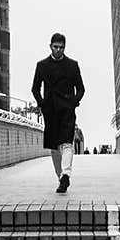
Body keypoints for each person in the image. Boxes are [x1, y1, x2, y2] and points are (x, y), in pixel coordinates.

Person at [31, 32, 85, 193]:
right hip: (50, 111)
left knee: (67, 143)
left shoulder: (72, 65)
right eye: (56, 47)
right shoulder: (42, 65)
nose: (58, 50)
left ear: (65, 47)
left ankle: (66, 175)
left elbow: (81, 88)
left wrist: (73, 102)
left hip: (67, 110)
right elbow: (35, 88)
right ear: (50, 46)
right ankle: (61, 177)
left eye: (61, 47)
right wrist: (42, 104)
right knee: (54, 147)